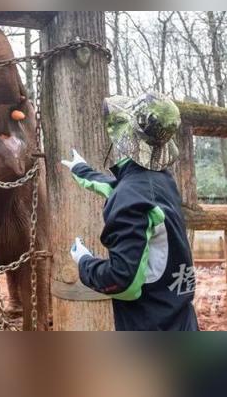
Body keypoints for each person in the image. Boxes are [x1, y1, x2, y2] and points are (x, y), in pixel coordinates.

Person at [62, 93, 199, 331]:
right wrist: (83, 172)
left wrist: (84, 262)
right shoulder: (161, 180)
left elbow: (123, 281)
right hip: (178, 317)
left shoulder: (131, 195)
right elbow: (127, 193)